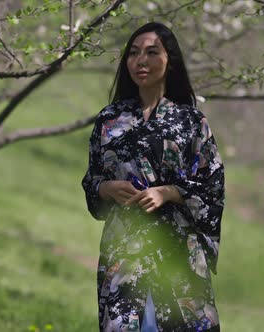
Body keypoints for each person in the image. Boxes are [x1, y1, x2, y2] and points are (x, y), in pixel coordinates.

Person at [81, 22, 225, 332]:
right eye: (133, 53)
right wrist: (107, 188)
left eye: (151, 52)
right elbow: (91, 179)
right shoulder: (110, 119)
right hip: (123, 246)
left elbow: (212, 184)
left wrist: (170, 192)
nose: (140, 61)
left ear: (169, 61)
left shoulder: (191, 121)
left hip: (176, 248)